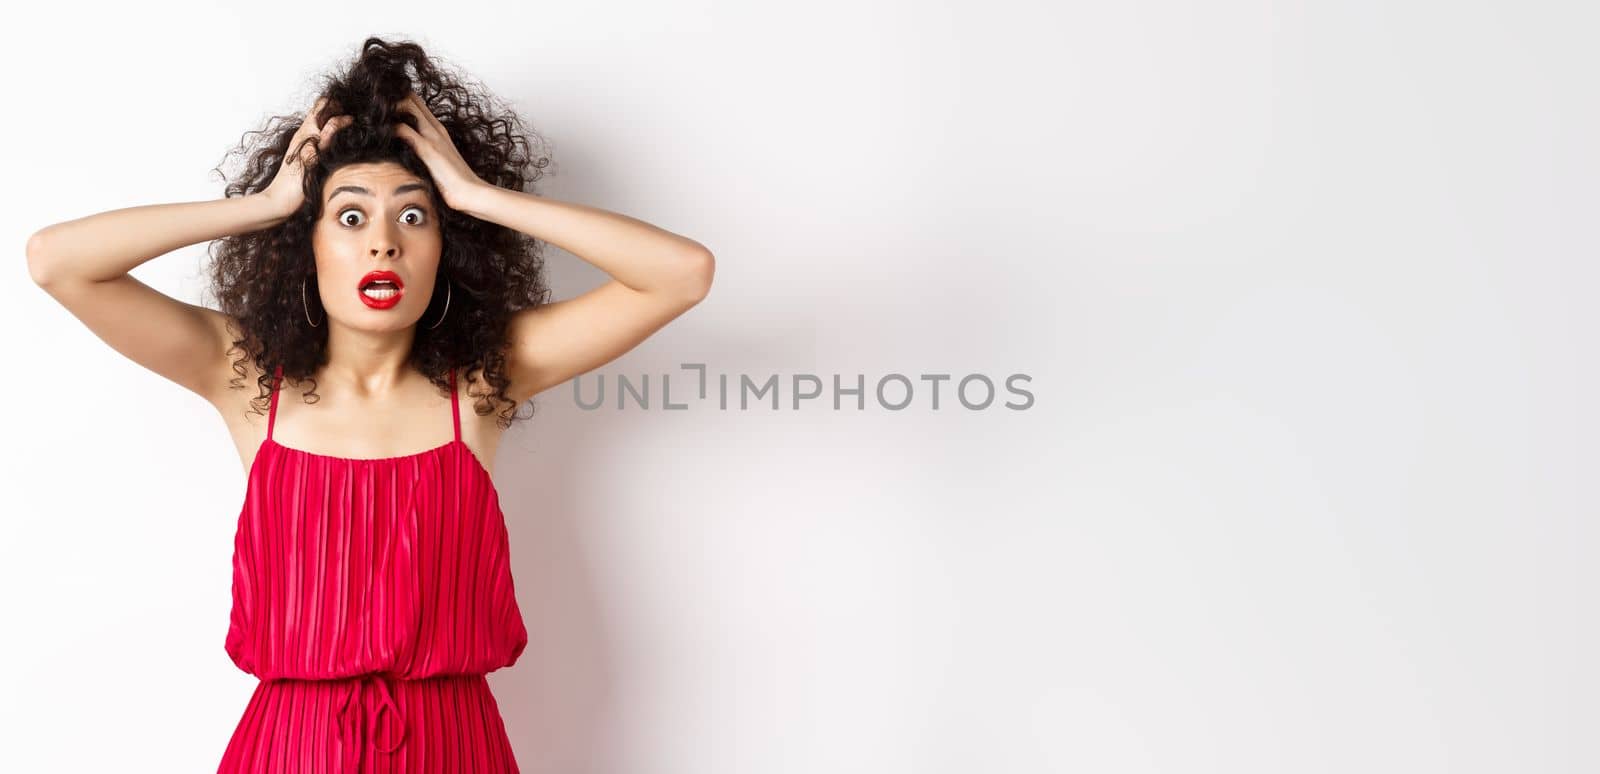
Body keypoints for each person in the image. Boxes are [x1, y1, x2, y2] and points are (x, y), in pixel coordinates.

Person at [25, 37, 713, 772]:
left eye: (413, 219)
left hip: (456, 750)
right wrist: (266, 205)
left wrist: (475, 194)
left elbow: (681, 274)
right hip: (291, 749)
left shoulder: (482, 384)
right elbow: (56, 262)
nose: (383, 244)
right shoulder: (246, 378)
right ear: (305, 245)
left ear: (449, 249)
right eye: (349, 218)